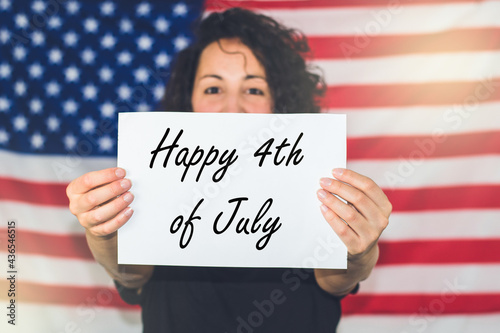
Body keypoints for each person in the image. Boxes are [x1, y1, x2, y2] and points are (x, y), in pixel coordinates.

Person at [66, 8, 391, 332]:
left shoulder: (313, 188)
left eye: (253, 89)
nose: (232, 107)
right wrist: (104, 230)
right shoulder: (155, 187)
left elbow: (336, 280)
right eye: (213, 88)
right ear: (188, 100)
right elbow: (131, 274)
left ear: (280, 103)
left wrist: (357, 253)